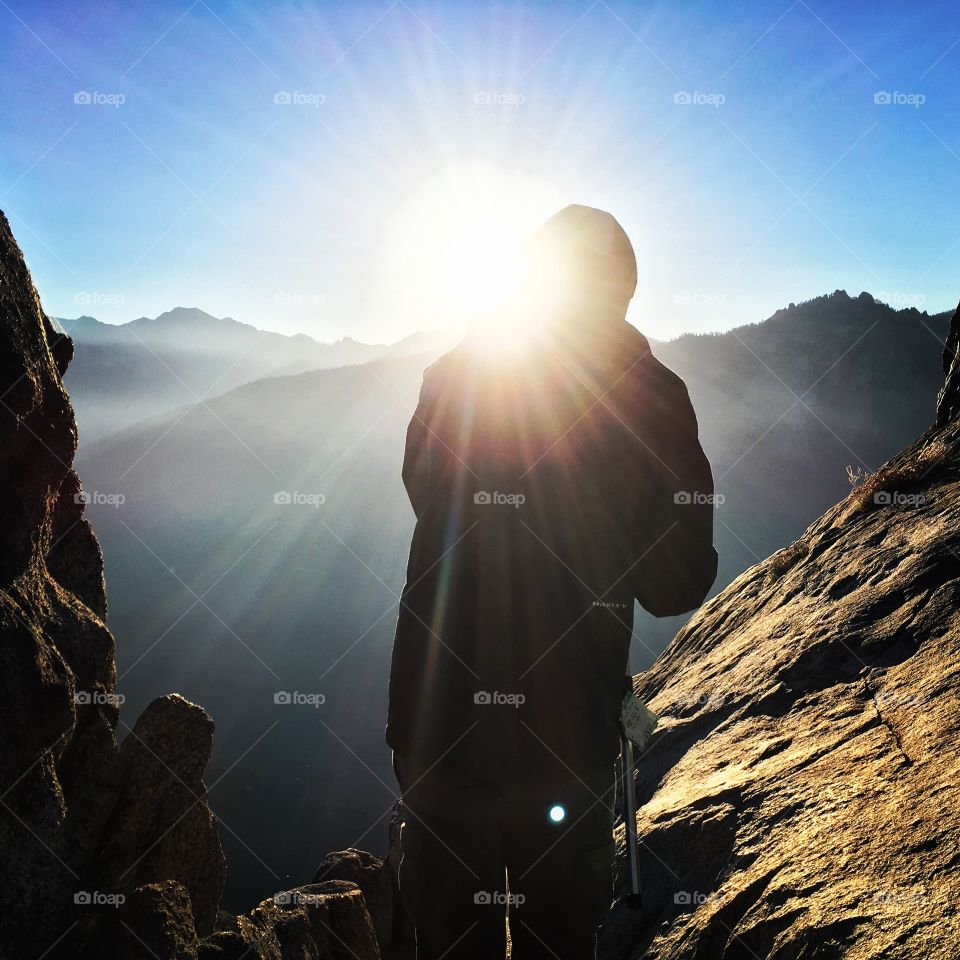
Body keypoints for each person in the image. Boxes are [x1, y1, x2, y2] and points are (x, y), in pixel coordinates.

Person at [386, 204, 718, 959]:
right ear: (624, 290)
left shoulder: (455, 374)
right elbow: (676, 583)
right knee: (557, 941)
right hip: (563, 740)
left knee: (446, 939)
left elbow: (423, 491)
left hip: (436, 726)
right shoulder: (656, 398)